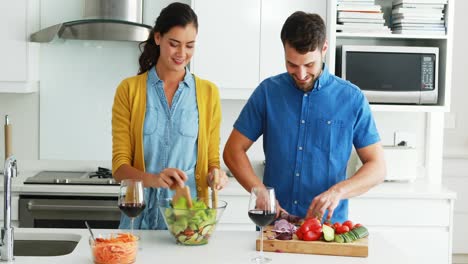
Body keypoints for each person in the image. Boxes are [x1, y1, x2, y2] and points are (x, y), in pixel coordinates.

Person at [223, 12, 385, 223]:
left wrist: (338, 191)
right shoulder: (267, 93)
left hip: (327, 228)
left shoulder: (352, 98)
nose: (300, 74)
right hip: (274, 225)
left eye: (309, 65)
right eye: (292, 64)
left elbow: (377, 167)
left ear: (324, 49)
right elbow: (232, 151)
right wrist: (259, 191)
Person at [112, 2, 228, 230]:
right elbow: (119, 168)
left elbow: (211, 163)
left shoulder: (208, 93)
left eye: (190, 46)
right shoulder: (129, 90)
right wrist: (155, 180)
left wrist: (217, 175)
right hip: (139, 222)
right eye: (174, 44)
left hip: (189, 223)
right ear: (158, 38)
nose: (182, 54)